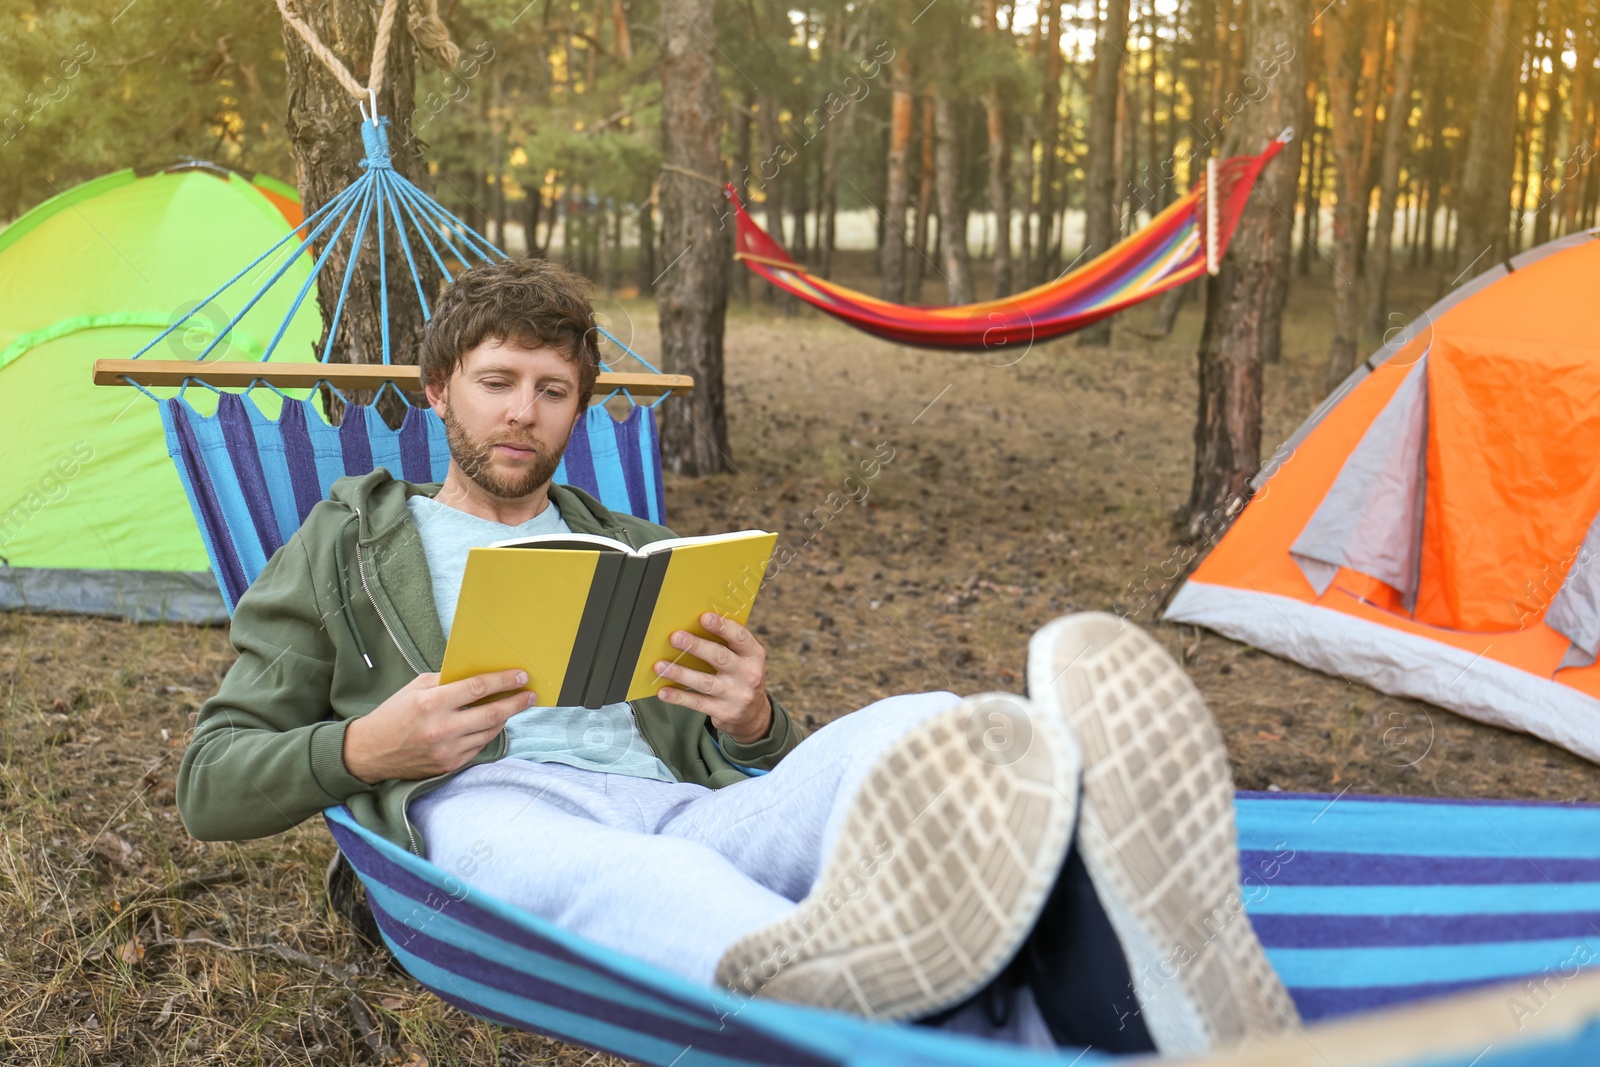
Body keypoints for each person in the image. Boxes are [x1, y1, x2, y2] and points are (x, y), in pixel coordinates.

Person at [176, 258, 1297, 1057]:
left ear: (579, 410)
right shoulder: (347, 539)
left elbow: (748, 755)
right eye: (498, 380)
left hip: (684, 804)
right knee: (655, 885)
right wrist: (370, 743)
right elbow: (210, 783)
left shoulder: (633, 546)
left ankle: (1093, 900)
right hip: (484, 810)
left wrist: (753, 719)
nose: (524, 413)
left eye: (554, 391)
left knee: (942, 716)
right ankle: (1003, 990)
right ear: (438, 392)